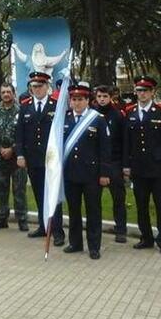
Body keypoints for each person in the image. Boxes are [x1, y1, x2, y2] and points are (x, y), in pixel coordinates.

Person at [123, 75, 161, 256]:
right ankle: (146, 237)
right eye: (139, 90)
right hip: (138, 167)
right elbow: (126, 143)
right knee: (141, 204)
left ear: (153, 92)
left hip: (157, 166)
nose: (142, 94)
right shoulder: (129, 111)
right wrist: (126, 165)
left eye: (145, 90)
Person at [61, 82, 111, 260]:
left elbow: (105, 149)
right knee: (73, 210)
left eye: (80, 99)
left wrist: (105, 173)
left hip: (91, 174)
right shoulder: (64, 119)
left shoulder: (97, 119)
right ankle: (75, 243)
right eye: (74, 99)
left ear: (88, 100)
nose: (77, 103)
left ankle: (94, 246)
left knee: (93, 211)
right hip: (71, 174)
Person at [15, 71, 65, 245]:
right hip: (33, 159)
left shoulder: (56, 106)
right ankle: (44, 226)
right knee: (38, 194)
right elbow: (19, 134)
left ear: (47, 86)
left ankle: (57, 231)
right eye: (34, 86)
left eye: (40, 86)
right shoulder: (25, 106)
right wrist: (20, 154)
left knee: (53, 195)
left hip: (51, 160)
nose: (37, 89)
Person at [0, 83, 28, 231]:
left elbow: (25, 134)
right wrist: (0, 148)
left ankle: (22, 219)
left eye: (8, 92)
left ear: (13, 93)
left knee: (19, 190)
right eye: (3, 92)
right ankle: (1, 219)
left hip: (17, 159)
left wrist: (12, 149)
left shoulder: (22, 111)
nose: (5, 94)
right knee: (0, 190)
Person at [93, 84, 127, 242]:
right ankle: (95, 228)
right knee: (94, 199)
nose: (101, 99)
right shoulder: (91, 114)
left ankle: (121, 229)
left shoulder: (118, 115)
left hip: (114, 162)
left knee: (118, 198)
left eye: (105, 96)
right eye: (99, 96)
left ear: (111, 97)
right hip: (95, 163)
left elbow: (125, 141)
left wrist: (124, 165)